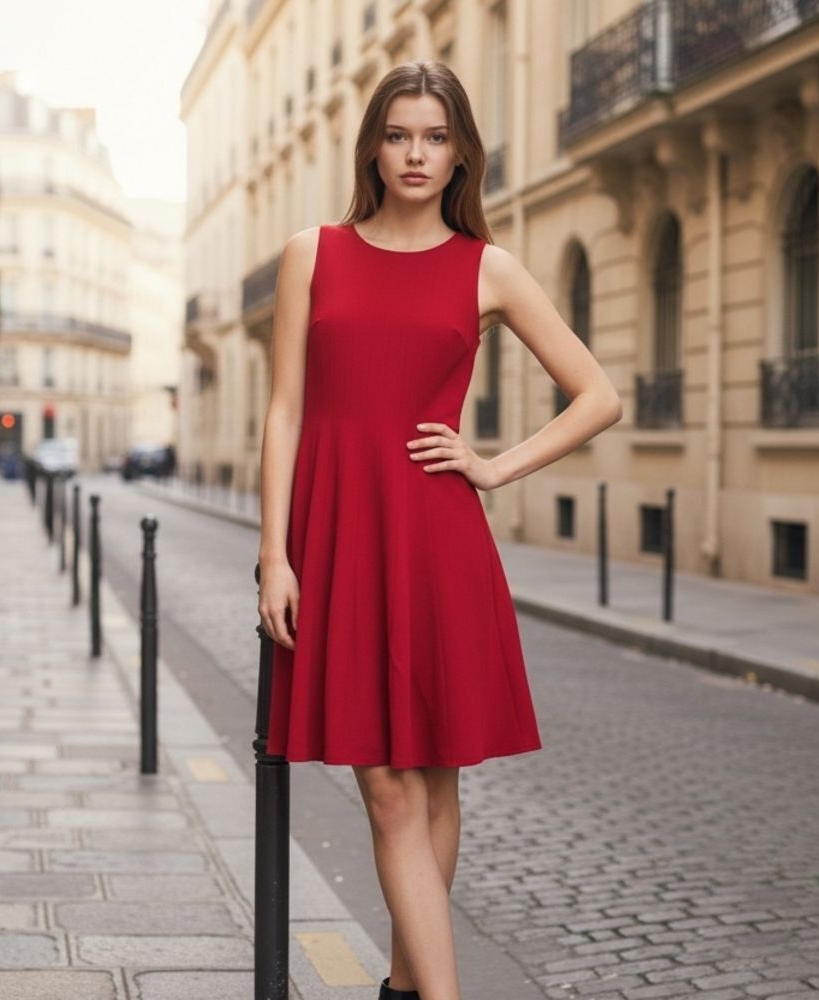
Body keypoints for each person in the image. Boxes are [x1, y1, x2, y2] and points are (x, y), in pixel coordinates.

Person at [257, 59, 622, 1000]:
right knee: (387, 785)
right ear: (372, 147)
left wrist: (493, 465)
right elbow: (286, 411)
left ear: (460, 151)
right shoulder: (314, 253)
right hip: (337, 537)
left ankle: (408, 987)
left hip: (434, 538)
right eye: (398, 135)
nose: (416, 154)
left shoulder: (487, 268)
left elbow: (599, 396)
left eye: (435, 136)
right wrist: (273, 554)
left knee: (432, 776)